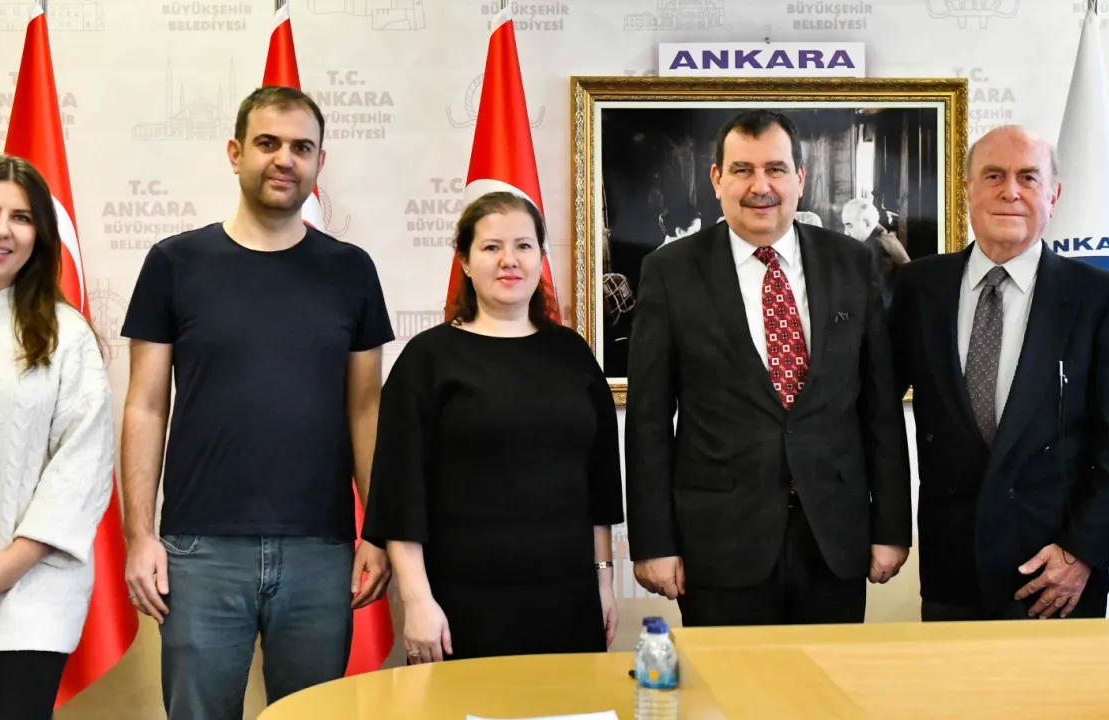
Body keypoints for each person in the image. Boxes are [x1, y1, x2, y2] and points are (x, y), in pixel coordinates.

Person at [120, 87, 395, 720]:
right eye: (268, 143)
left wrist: (377, 531)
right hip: (199, 550)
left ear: (319, 162)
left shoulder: (351, 271)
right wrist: (139, 535)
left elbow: (366, 410)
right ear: (235, 152)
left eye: (302, 147)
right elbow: (145, 406)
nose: (284, 159)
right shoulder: (174, 263)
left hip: (321, 550)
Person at [624, 109, 912, 627]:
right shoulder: (669, 271)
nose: (761, 186)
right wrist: (654, 542)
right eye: (742, 170)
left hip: (833, 539)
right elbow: (648, 421)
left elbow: (880, 408)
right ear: (717, 179)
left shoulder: (852, 263)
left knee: (828, 681)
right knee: (726, 683)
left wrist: (891, 527)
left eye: (776, 169)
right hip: (719, 544)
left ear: (799, 178)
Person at [889, 124, 1109, 622]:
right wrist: (885, 525)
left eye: (1028, 177)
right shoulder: (920, 286)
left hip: (1055, 574)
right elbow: (877, 410)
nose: (1010, 191)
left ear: (1053, 195)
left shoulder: (1097, 295)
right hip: (951, 568)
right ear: (968, 189)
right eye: (994, 175)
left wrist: (1082, 551)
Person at [362, 191, 624, 663]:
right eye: (490, 247)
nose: (509, 260)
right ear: (464, 261)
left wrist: (604, 580)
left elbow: (599, 481)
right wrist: (417, 601)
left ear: (540, 257)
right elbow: (400, 491)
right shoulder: (427, 359)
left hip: (568, 596)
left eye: (523, 246)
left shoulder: (573, 355)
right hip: (463, 602)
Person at [0, 153, 114, 719]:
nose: (1, 230)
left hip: (29, 599)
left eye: (22, 217)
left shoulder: (65, 334)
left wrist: (13, 560)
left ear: (40, 236)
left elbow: (83, 462)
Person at [841, 197, 910, 309]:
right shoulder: (883, 238)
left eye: (850, 226)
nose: (846, 232)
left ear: (866, 224)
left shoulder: (874, 248)